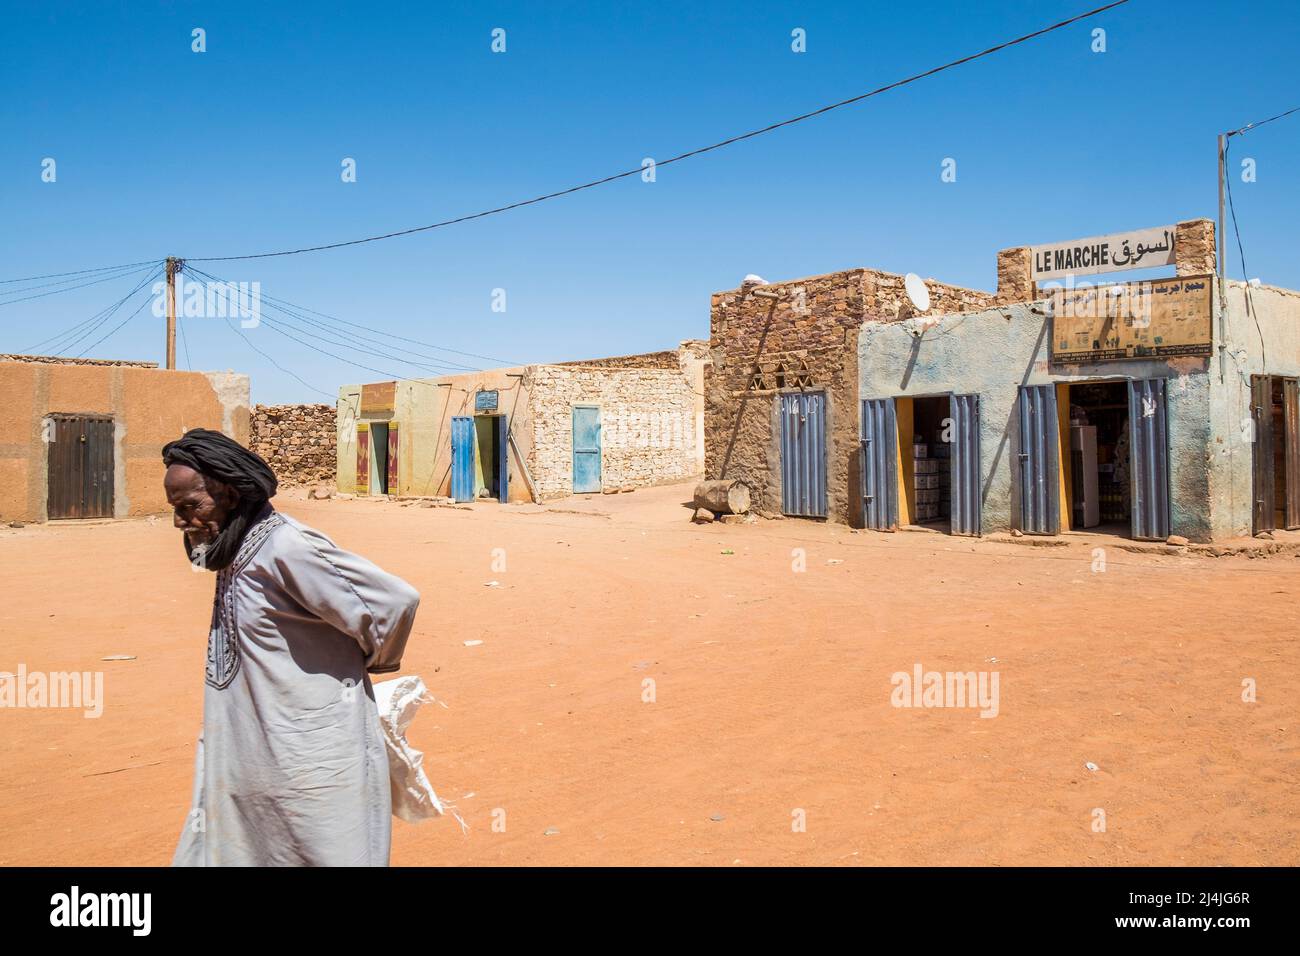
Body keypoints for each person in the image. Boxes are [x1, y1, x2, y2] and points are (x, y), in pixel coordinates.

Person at [162, 428, 420, 866]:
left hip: (311, 753)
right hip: (253, 747)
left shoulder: (285, 545)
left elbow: (392, 602)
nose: (181, 522)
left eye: (190, 507)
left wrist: (363, 666)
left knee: (321, 849)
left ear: (227, 493)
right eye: (176, 509)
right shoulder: (237, 550)